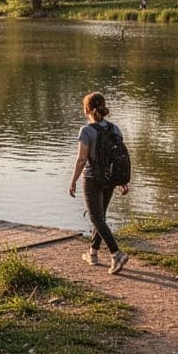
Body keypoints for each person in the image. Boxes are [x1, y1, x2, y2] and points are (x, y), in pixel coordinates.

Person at [69, 92, 129, 274]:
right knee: (100, 216)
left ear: (86, 109)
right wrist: (122, 180)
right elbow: (119, 157)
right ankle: (93, 253)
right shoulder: (114, 129)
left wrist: (73, 181)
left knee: (96, 217)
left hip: (92, 178)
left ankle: (116, 253)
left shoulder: (86, 131)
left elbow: (82, 160)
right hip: (110, 178)